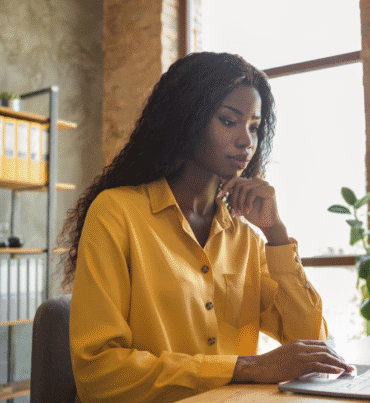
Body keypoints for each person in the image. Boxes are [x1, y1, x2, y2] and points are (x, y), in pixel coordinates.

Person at [59, 52, 352, 402]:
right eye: (229, 121)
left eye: (255, 127)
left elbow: (309, 342)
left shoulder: (247, 239)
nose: (247, 140)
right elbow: (99, 372)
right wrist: (246, 367)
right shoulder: (116, 213)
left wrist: (275, 233)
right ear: (187, 119)